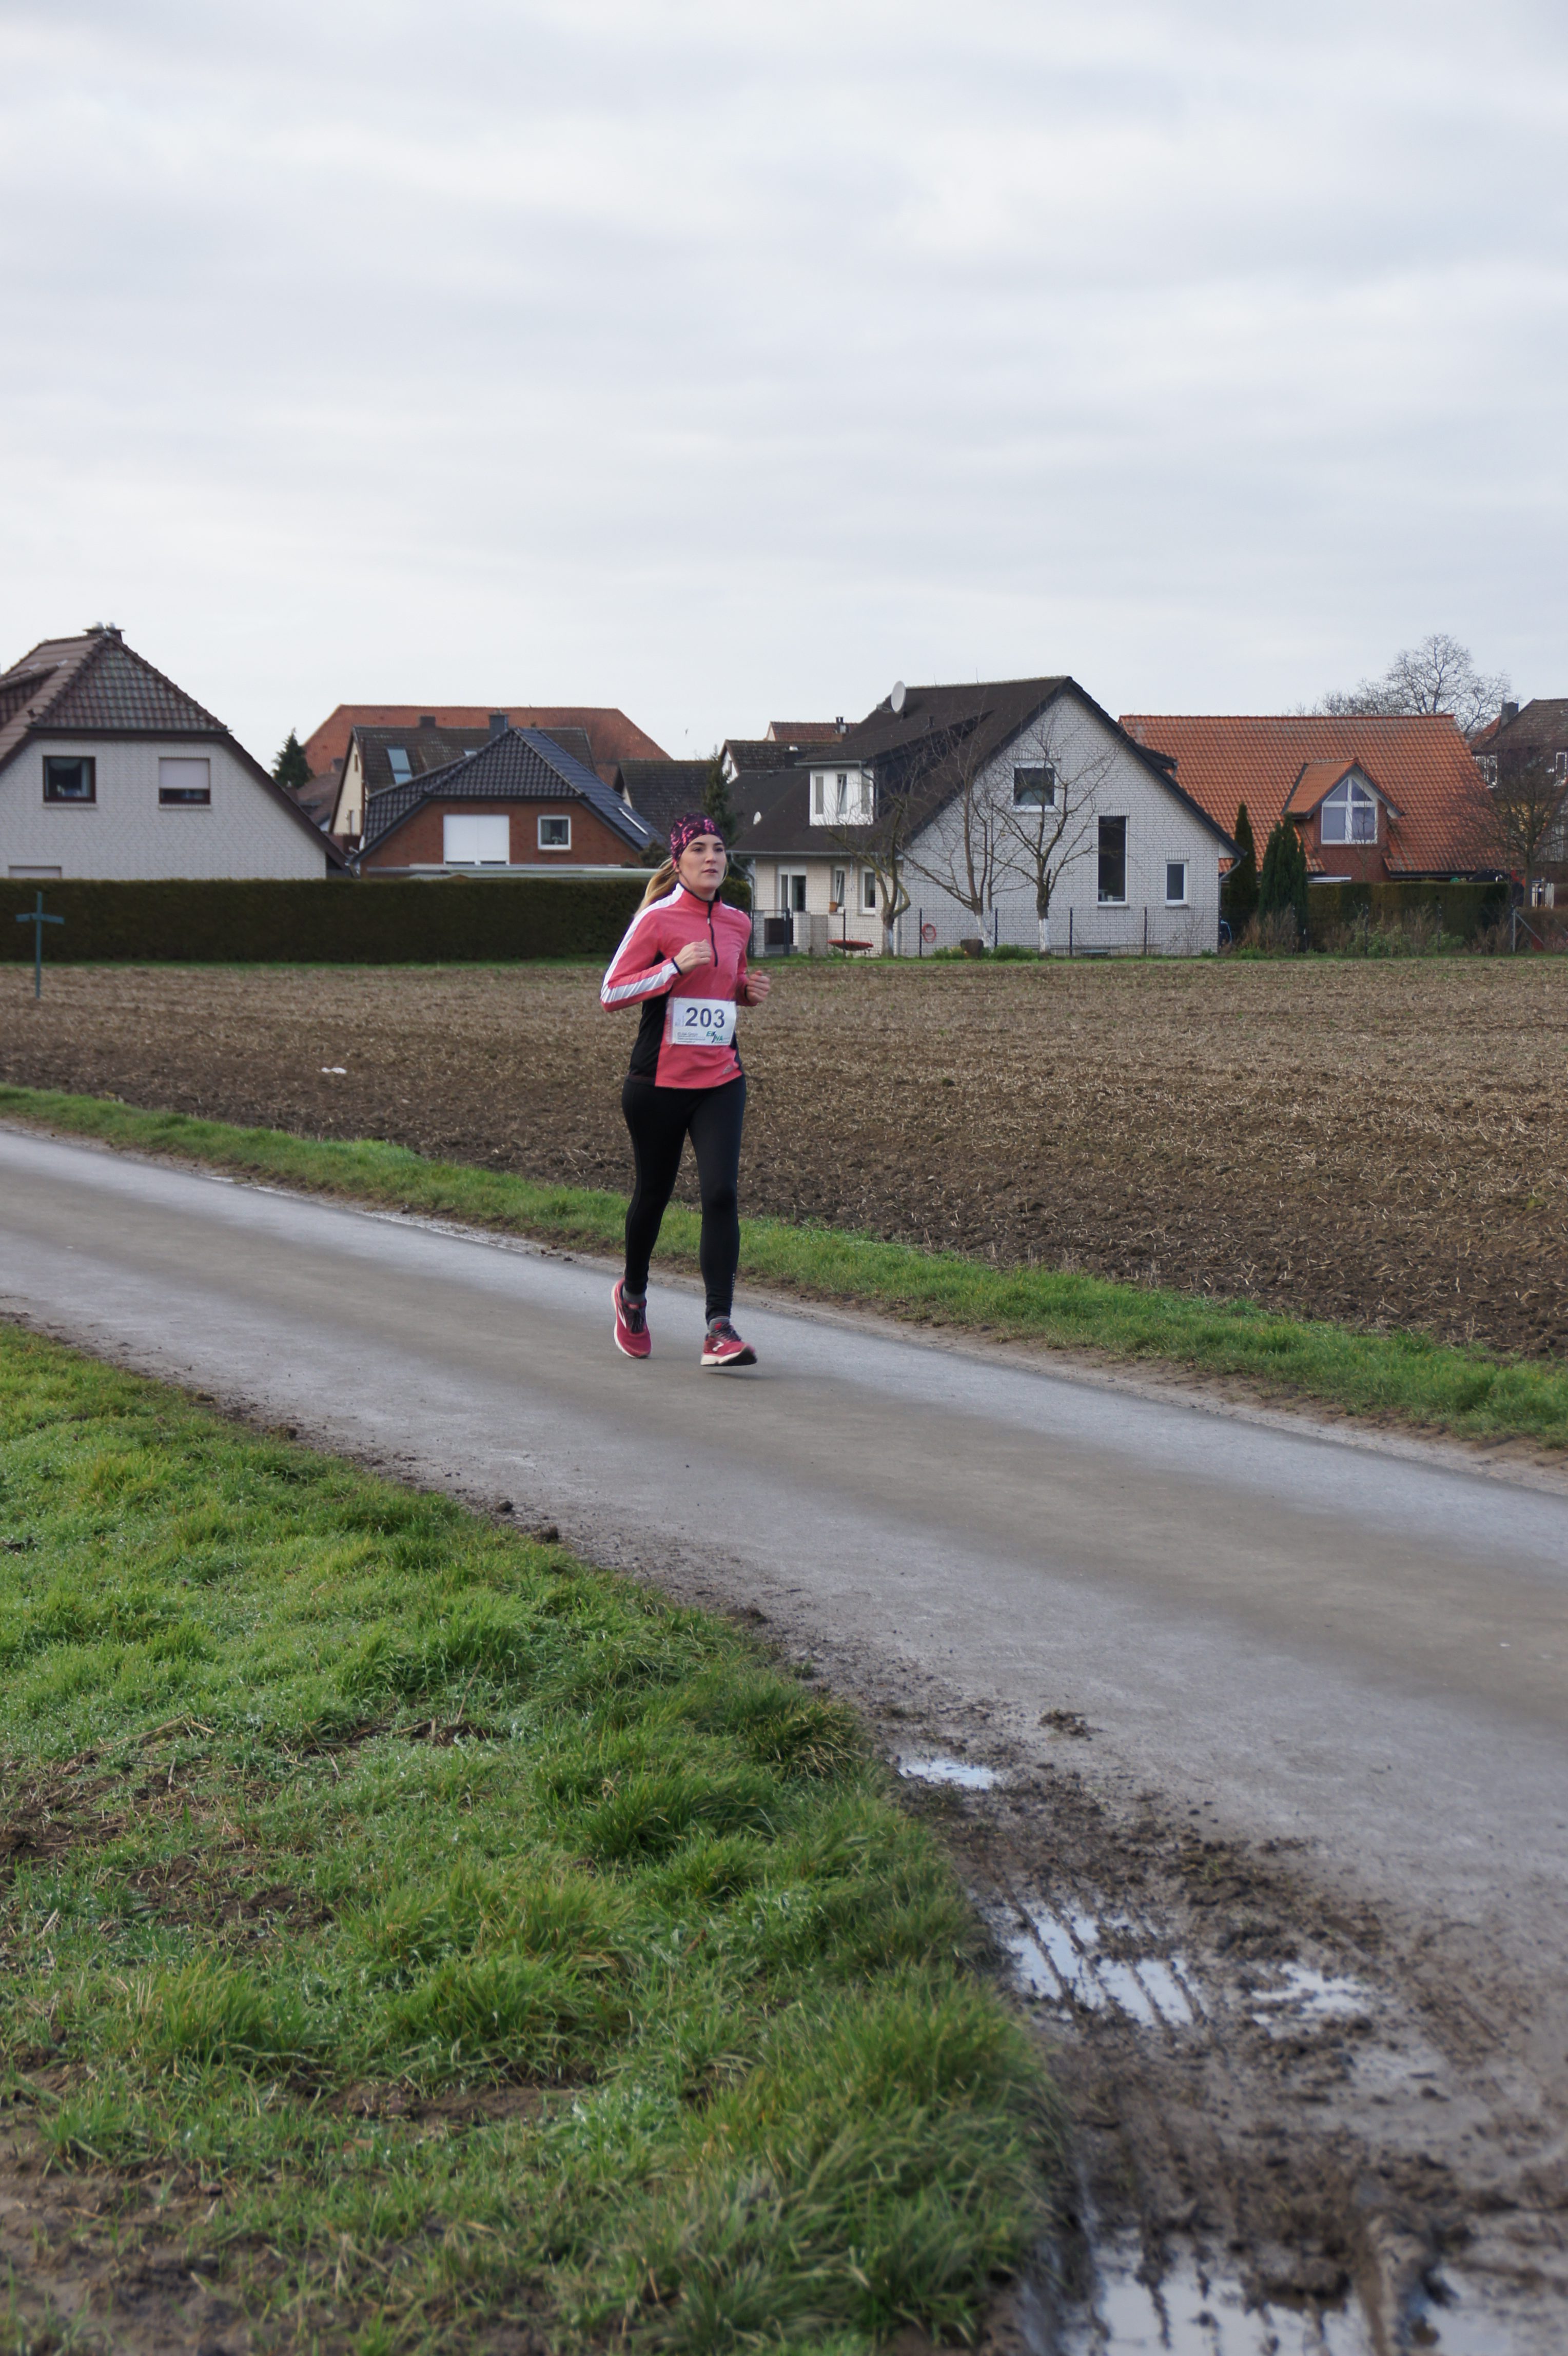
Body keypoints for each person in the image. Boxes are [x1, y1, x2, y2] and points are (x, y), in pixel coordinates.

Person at [599, 813, 771, 1367]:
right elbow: (610, 992)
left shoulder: (738, 922)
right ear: (677, 862)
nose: (711, 857)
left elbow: (726, 986)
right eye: (698, 848)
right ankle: (632, 1296)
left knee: (721, 1193)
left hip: (720, 1079)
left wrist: (746, 991)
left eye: (718, 848)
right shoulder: (656, 918)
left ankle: (719, 1327)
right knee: (653, 1194)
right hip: (657, 1083)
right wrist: (672, 967)